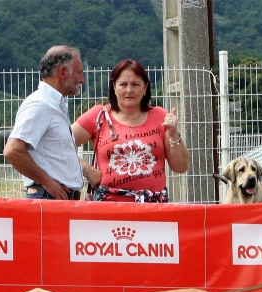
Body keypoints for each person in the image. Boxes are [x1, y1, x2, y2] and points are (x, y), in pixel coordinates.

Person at [72, 59, 190, 203]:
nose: (129, 90)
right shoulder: (99, 115)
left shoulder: (160, 116)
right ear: (114, 87)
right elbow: (59, 144)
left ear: (145, 87)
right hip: (107, 209)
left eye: (135, 84)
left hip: (153, 209)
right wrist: (87, 170)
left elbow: (180, 167)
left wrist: (173, 134)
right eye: (123, 84)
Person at [4, 46, 99, 200]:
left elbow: (55, 158)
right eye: (79, 73)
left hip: (55, 196)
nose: (82, 79)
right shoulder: (40, 104)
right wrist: (47, 182)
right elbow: (13, 151)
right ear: (63, 72)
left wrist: (87, 171)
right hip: (49, 197)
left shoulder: (53, 105)